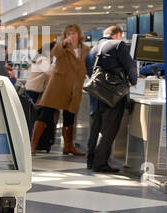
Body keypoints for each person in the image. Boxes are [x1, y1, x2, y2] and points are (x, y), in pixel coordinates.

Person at [84, 25, 136, 174]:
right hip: (113, 96)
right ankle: (100, 164)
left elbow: (89, 73)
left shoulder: (91, 51)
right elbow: (130, 66)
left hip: (95, 96)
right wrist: (133, 81)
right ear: (118, 34)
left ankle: (91, 161)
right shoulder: (118, 45)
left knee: (95, 129)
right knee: (109, 130)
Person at [33, 26, 87, 157]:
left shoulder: (86, 49)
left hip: (75, 87)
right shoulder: (61, 46)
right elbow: (55, 53)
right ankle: (33, 145)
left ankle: (68, 146)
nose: (70, 36)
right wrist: (63, 43)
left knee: (70, 116)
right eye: (68, 34)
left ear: (78, 34)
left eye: (73, 33)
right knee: (45, 114)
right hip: (58, 85)